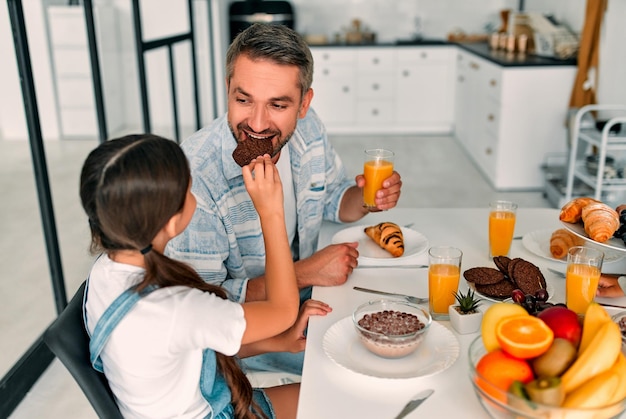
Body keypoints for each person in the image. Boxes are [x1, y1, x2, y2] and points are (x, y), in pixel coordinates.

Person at [166, 23, 402, 372]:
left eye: (277, 105)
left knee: (398, 322)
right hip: (247, 336)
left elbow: (333, 197)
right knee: (365, 361)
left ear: (304, 104)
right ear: (228, 89)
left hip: (312, 295)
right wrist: (305, 273)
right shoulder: (197, 177)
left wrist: (367, 198)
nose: (257, 124)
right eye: (243, 99)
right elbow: (202, 307)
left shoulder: (307, 129)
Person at [80, 134, 331, 418]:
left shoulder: (103, 274)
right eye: (189, 191)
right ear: (173, 221)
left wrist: (277, 343)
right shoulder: (176, 307)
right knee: (335, 398)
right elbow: (283, 311)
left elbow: (183, 344)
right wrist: (271, 211)